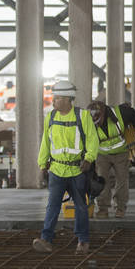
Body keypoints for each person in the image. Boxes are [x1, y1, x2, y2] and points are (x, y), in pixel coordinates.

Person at [34, 80, 99, 255]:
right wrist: (42, 163)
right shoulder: (51, 117)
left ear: (67, 99)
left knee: (80, 206)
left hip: (78, 171)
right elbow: (45, 143)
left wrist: (89, 159)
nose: (53, 102)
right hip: (56, 170)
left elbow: (93, 140)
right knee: (52, 206)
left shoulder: (83, 116)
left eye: (57, 98)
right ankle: (46, 239)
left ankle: (83, 241)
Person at [88, 99, 135, 219]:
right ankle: (103, 209)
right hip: (102, 154)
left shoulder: (122, 113)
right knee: (102, 180)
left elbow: (134, 115)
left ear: (103, 114)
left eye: (98, 121)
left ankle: (120, 208)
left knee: (122, 180)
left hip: (121, 152)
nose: (97, 124)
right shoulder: (89, 120)